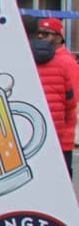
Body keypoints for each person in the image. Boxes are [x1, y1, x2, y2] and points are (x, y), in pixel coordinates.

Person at [29, 15, 78, 175]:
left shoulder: (67, 62)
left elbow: (72, 101)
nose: (41, 36)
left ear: (59, 37)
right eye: (40, 33)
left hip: (61, 134)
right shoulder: (39, 60)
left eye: (46, 33)